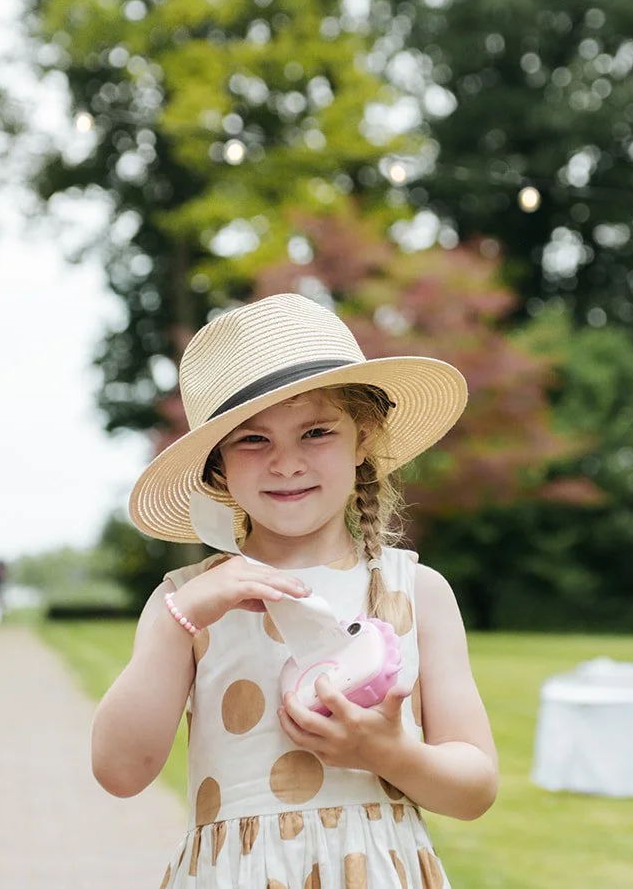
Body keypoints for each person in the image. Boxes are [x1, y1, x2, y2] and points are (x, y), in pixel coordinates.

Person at [92, 292, 497, 888]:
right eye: (253, 440)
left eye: (315, 432)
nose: (286, 463)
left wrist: (389, 753)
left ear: (363, 437)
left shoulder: (419, 592)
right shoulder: (187, 602)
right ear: (217, 467)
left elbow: (475, 788)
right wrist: (176, 623)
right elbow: (120, 771)